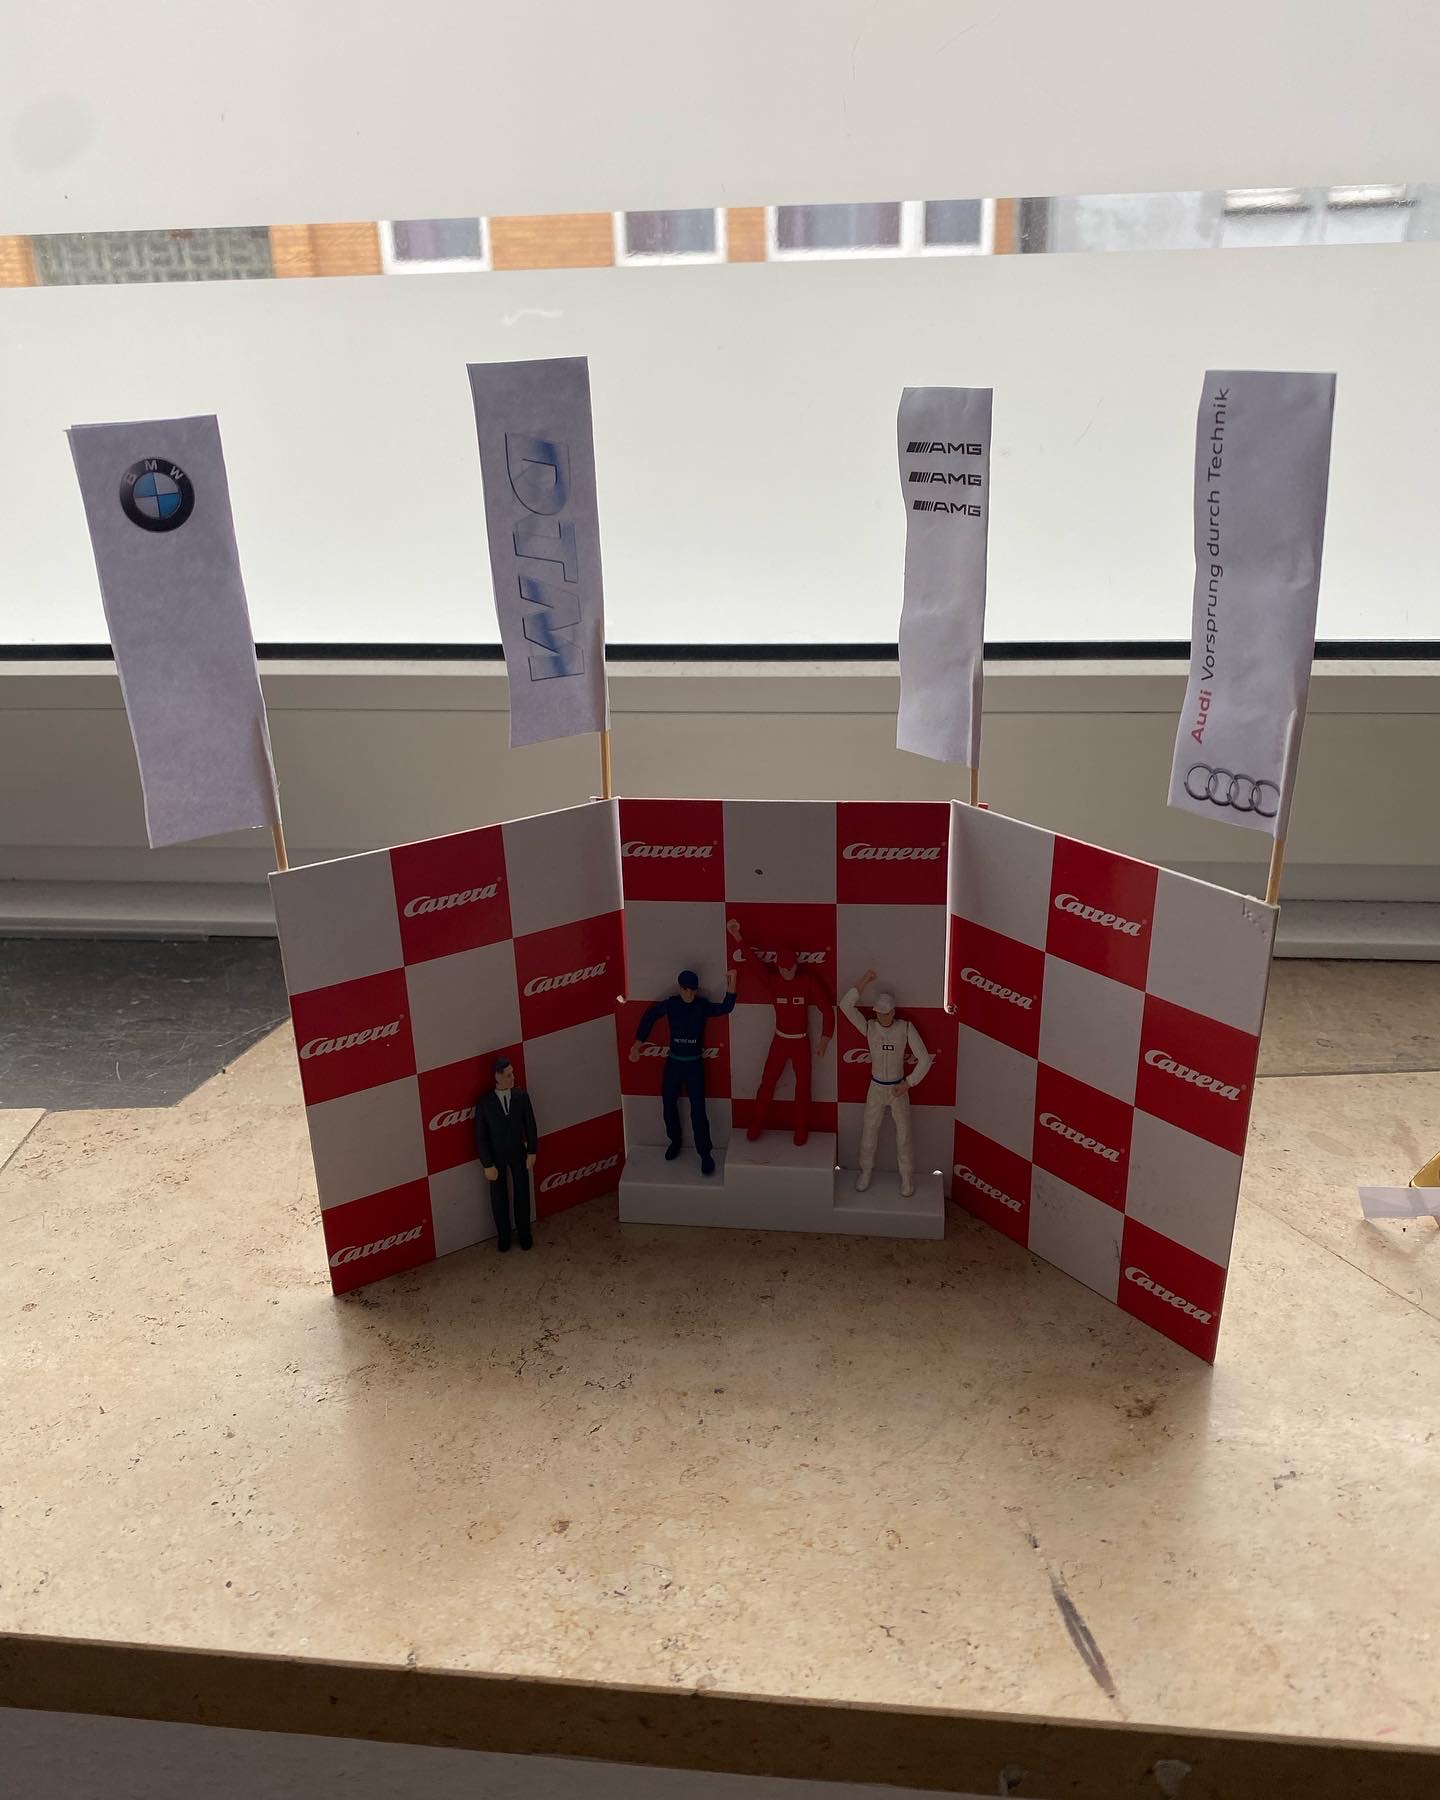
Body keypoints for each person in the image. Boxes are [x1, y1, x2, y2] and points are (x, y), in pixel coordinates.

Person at [726, 917, 834, 1144]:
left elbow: (827, 1010)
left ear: (796, 965)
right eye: (783, 969)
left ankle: (801, 1129)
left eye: (791, 968)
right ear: (777, 967)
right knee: (767, 1083)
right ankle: (756, 1124)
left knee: (803, 1087)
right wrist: (737, 937)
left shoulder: (807, 981)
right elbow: (753, 963)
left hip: (801, 1042)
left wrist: (825, 1038)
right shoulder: (772, 981)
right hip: (780, 1040)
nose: (787, 972)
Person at [631, 965, 737, 1175]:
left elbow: (725, 1008)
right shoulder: (671, 1004)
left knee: (698, 1110)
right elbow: (650, 1016)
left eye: (693, 990)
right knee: (668, 1104)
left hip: (694, 1065)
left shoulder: (701, 1005)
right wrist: (637, 1044)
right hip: (674, 1064)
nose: (689, 994)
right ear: (679, 988)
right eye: (686, 989)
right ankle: (675, 1141)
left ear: (696, 990)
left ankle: (705, 1153)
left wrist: (731, 983)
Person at [838, 969, 932, 1198]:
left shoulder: (905, 1028)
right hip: (876, 1088)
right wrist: (865, 980)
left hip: (898, 1088)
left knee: (904, 1135)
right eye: (879, 1013)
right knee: (869, 1131)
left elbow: (925, 1059)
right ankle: (866, 1171)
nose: (882, 1017)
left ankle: (906, 1176)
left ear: (893, 1012)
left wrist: (908, 1083)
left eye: (886, 1013)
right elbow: (845, 1006)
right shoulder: (870, 1027)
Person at [474, 1056, 539, 1252]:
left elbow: (530, 1125)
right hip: (496, 1157)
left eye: (512, 1074)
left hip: (519, 1153)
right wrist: (487, 1163)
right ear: (498, 1077)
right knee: (498, 1197)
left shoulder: (521, 1096)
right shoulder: (485, 1103)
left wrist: (532, 1151)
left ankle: (524, 1233)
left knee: (522, 1193)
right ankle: (504, 1236)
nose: (513, 1077)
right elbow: (481, 1137)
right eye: (509, 1075)